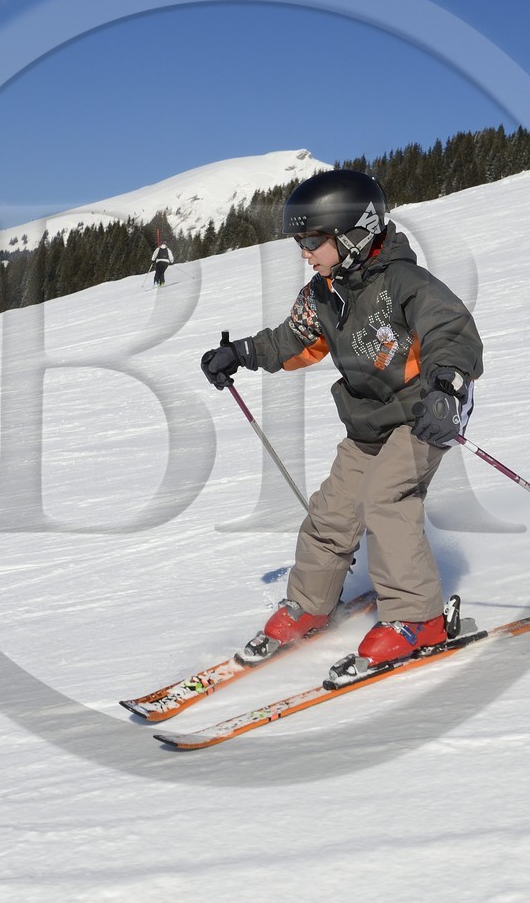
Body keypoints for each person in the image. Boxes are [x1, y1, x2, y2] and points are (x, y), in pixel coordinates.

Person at [200, 170, 484, 670]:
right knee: (332, 512)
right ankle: (310, 605)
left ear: (355, 232)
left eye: (313, 240)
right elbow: (290, 340)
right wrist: (240, 353)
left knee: (385, 498)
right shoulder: (323, 294)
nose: (305, 252)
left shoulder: (406, 284)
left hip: (424, 414)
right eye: (300, 242)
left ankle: (419, 618)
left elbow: (452, 332)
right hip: (367, 421)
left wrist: (447, 387)